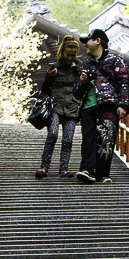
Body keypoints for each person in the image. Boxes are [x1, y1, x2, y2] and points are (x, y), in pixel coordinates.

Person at [74, 29, 129, 183]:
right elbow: (76, 92)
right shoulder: (86, 65)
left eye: (88, 40)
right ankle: (86, 170)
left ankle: (103, 173)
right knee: (88, 139)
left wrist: (123, 105)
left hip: (108, 104)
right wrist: (83, 82)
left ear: (97, 41)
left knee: (106, 137)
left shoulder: (116, 60)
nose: (85, 44)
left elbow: (124, 82)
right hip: (88, 105)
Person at [35, 35, 82, 179]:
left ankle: (64, 169)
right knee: (52, 134)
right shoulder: (54, 67)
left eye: (73, 55)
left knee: (68, 139)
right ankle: (44, 167)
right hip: (55, 106)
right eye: (68, 54)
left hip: (72, 107)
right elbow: (45, 89)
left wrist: (83, 79)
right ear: (63, 52)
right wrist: (49, 77)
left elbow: (83, 89)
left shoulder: (79, 68)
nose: (71, 57)